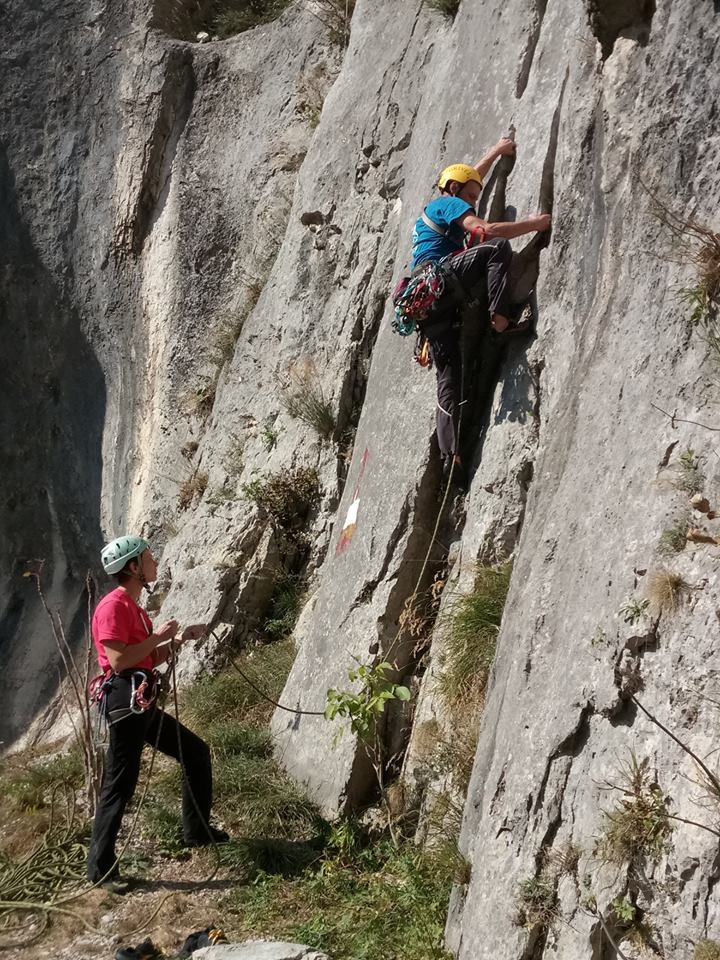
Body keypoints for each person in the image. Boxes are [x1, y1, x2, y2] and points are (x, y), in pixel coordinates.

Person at [86, 535, 228, 891]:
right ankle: (100, 869)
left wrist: (178, 642)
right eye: (148, 558)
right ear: (133, 567)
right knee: (120, 784)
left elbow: (145, 658)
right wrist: (158, 636)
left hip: (140, 700)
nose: (154, 562)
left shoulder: (132, 606)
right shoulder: (113, 606)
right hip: (125, 703)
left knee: (195, 752)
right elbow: (118, 660)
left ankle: (196, 831)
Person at [410, 138, 552, 487]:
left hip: (429, 304)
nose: (476, 202)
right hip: (441, 281)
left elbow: (468, 178)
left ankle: (451, 456)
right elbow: (484, 230)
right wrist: (536, 225)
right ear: (456, 190)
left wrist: (497, 151)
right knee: (496, 247)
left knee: (450, 379)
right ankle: (500, 320)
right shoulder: (446, 204)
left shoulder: (441, 206)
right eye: (473, 198)